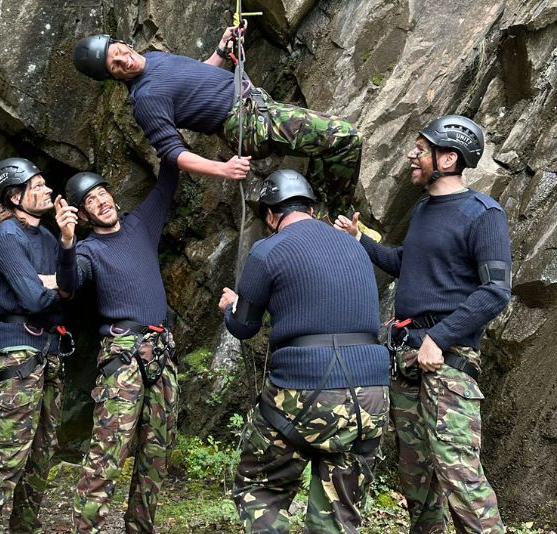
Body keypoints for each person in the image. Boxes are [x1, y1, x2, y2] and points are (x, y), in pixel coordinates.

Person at [334, 115, 511, 533]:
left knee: (460, 477)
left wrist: (439, 337)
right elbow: (406, 263)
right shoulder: (423, 209)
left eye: (421, 150)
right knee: (417, 480)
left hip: (447, 361)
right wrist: (361, 241)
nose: (412, 156)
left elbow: (496, 290)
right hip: (406, 357)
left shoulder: (483, 214)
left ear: (448, 159)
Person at [218, 169, 389, 533]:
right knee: (337, 514)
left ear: (270, 215)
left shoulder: (268, 250)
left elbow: (244, 327)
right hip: (372, 396)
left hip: (305, 390)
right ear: (312, 209)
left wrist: (231, 308)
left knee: (259, 486)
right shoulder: (354, 247)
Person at [72, 30, 363, 214]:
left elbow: (197, 78)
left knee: (324, 147)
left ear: (122, 42)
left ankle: (321, 203)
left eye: (119, 52)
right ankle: (340, 215)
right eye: (115, 65)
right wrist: (222, 169)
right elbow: (172, 153)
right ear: (113, 76)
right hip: (248, 124)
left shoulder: (153, 58)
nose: (124, 60)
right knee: (346, 138)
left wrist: (221, 50)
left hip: (256, 107)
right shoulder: (146, 99)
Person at [54, 163, 180, 533]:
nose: (101, 201)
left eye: (102, 193)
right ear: (83, 215)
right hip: (122, 355)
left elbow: (169, 178)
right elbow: (68, 285)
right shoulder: (88, 250)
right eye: (90, 201)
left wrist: (164, 136)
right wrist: (66, 242)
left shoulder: (140, 225)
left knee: (157, 453)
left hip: (162, 349)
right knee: (108, 452)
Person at [0, 157, 75, 533]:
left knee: (41, 453)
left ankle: (23, 528)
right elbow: (33, 298)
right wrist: (51, 285)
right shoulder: (5, 236)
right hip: (18, 351)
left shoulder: (47, 239)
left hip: (52, 350)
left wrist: (58, 261)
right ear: (15, 196)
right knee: (7, 451)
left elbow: (72, 287)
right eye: (38, 185)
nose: (48, 190)